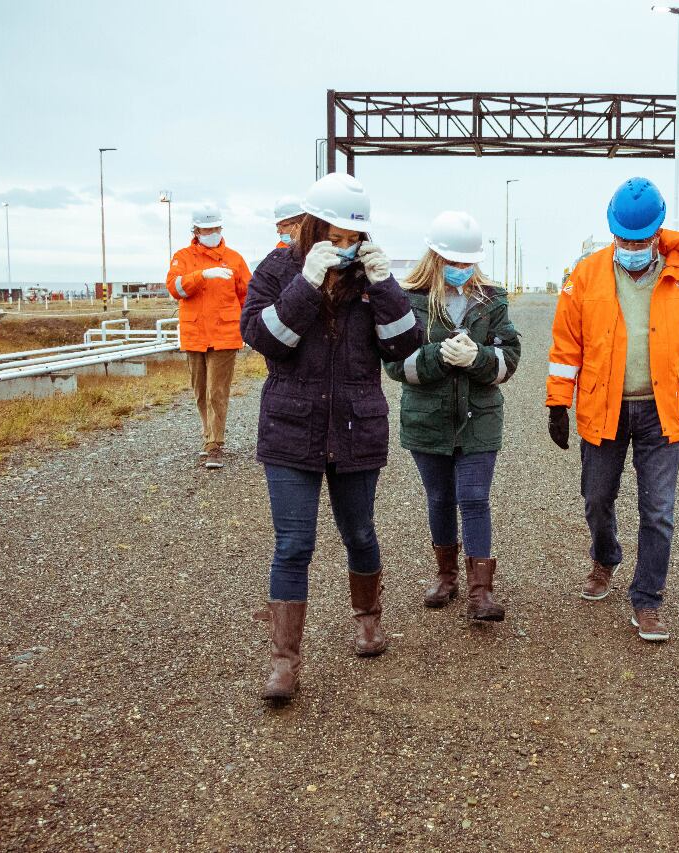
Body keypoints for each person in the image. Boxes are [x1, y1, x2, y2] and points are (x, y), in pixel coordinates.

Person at [240, 173, 423, 703]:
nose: (344, 247)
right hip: (291, 427)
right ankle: (284, 662)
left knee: (360, 533)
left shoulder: (372, 277)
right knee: (293, 544)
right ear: (312, 225)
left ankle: (367, 620)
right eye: (334, 236)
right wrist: (306, 284)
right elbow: (264, 340)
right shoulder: (278, 269)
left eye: (352, 238)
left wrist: (387, 287)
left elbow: (403, 347)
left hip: (356, 425)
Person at [545, 177, 679, 643]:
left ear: (657, 233)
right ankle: (605, 558)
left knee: (658, 511)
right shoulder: (586, 275)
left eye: (641, 240)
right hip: (604, 408)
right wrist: (559, 403)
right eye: (624, 238)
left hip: (662, 411)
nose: (632, 247)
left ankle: (648, 599)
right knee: (597, 498)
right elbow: (566, 346)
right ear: (612, 232)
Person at [384, 211, 521, 621]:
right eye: (454, 262)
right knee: (440, 498)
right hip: (427, 419)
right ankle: (446, 576)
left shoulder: (492, 299)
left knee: (474, 498)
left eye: (467, 262)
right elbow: (394, 364)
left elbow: (509, 357)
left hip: (479, 418)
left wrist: (479, 358)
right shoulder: (407, 300)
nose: (461, 269)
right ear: (435, 256)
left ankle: (481, 592)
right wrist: (436, 357)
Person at [165, 206, 251, 469]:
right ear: (196, 231)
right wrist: (201, 275)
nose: (212, 233)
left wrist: (248, 328)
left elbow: (247, 297)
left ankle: (215, 444)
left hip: (225, 335)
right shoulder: (182, 258)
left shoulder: (235, 260)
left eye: (216, 229)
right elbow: (175, 288)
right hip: (194, 336)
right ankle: (208, 437)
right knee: (200, 391)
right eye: (207, 229)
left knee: (217, 391)